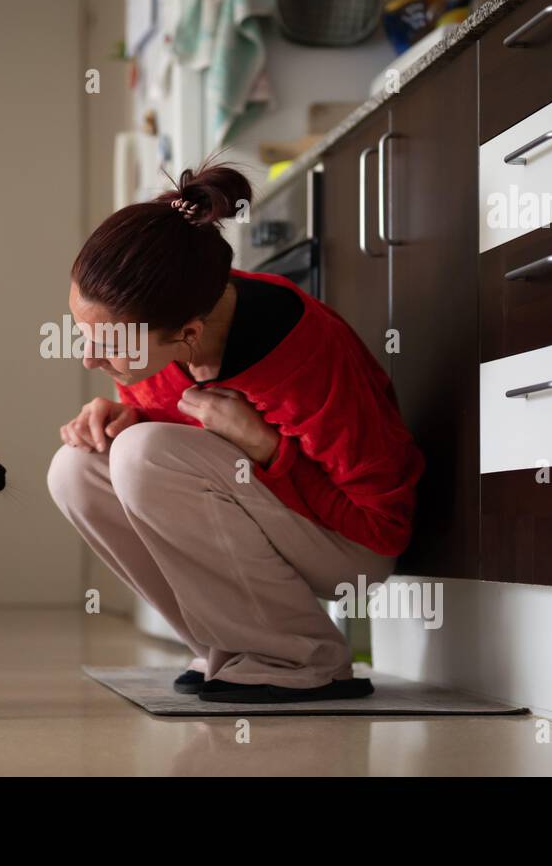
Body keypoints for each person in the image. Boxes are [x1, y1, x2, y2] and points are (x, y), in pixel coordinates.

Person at [47, 163, 425, 703]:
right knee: (77, 467)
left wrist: (265, 449)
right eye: (82, 334)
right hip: (279, 525)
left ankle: (300, 658)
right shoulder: (165, 330)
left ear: (189, 334)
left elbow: (380, 528)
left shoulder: (303, 358)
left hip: (354, 551)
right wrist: (129, 416)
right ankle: (224, 648)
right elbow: (192, 459)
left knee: (142, 454)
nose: (87, 358)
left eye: (108, 346)